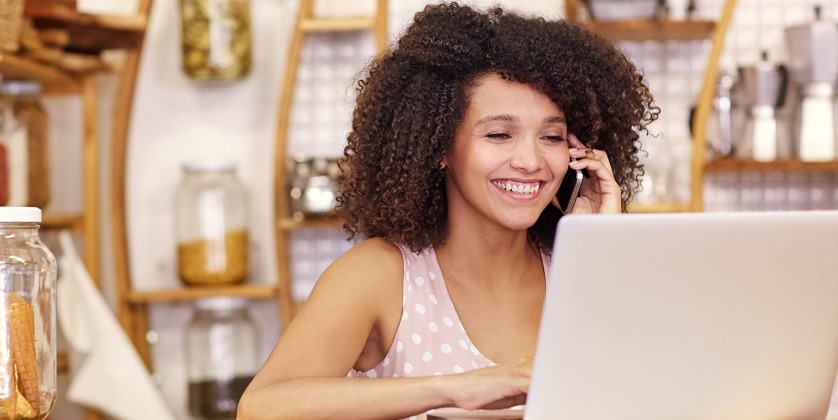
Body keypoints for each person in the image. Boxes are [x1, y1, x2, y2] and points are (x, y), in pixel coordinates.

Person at [238, 3, 656, 419]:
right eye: (498, 134)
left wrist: (601, 251)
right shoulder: (381, 275)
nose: (531, 161)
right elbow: (260, 408)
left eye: (552, 136)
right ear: (439, 146)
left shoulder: (577, 274)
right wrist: (454, 390)